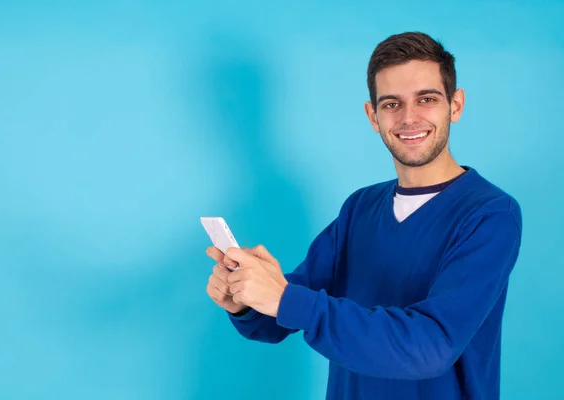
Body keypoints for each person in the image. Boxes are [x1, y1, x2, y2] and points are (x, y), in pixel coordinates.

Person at [205, 31, 522, 400]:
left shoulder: (490, 215)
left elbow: (430, 346)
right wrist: (246, 298)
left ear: (456, 105)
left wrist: (285, 300)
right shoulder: (360, 209)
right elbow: (289, 308)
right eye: (391, 104)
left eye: (427, 99)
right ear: (373, 115)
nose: (409, 118)